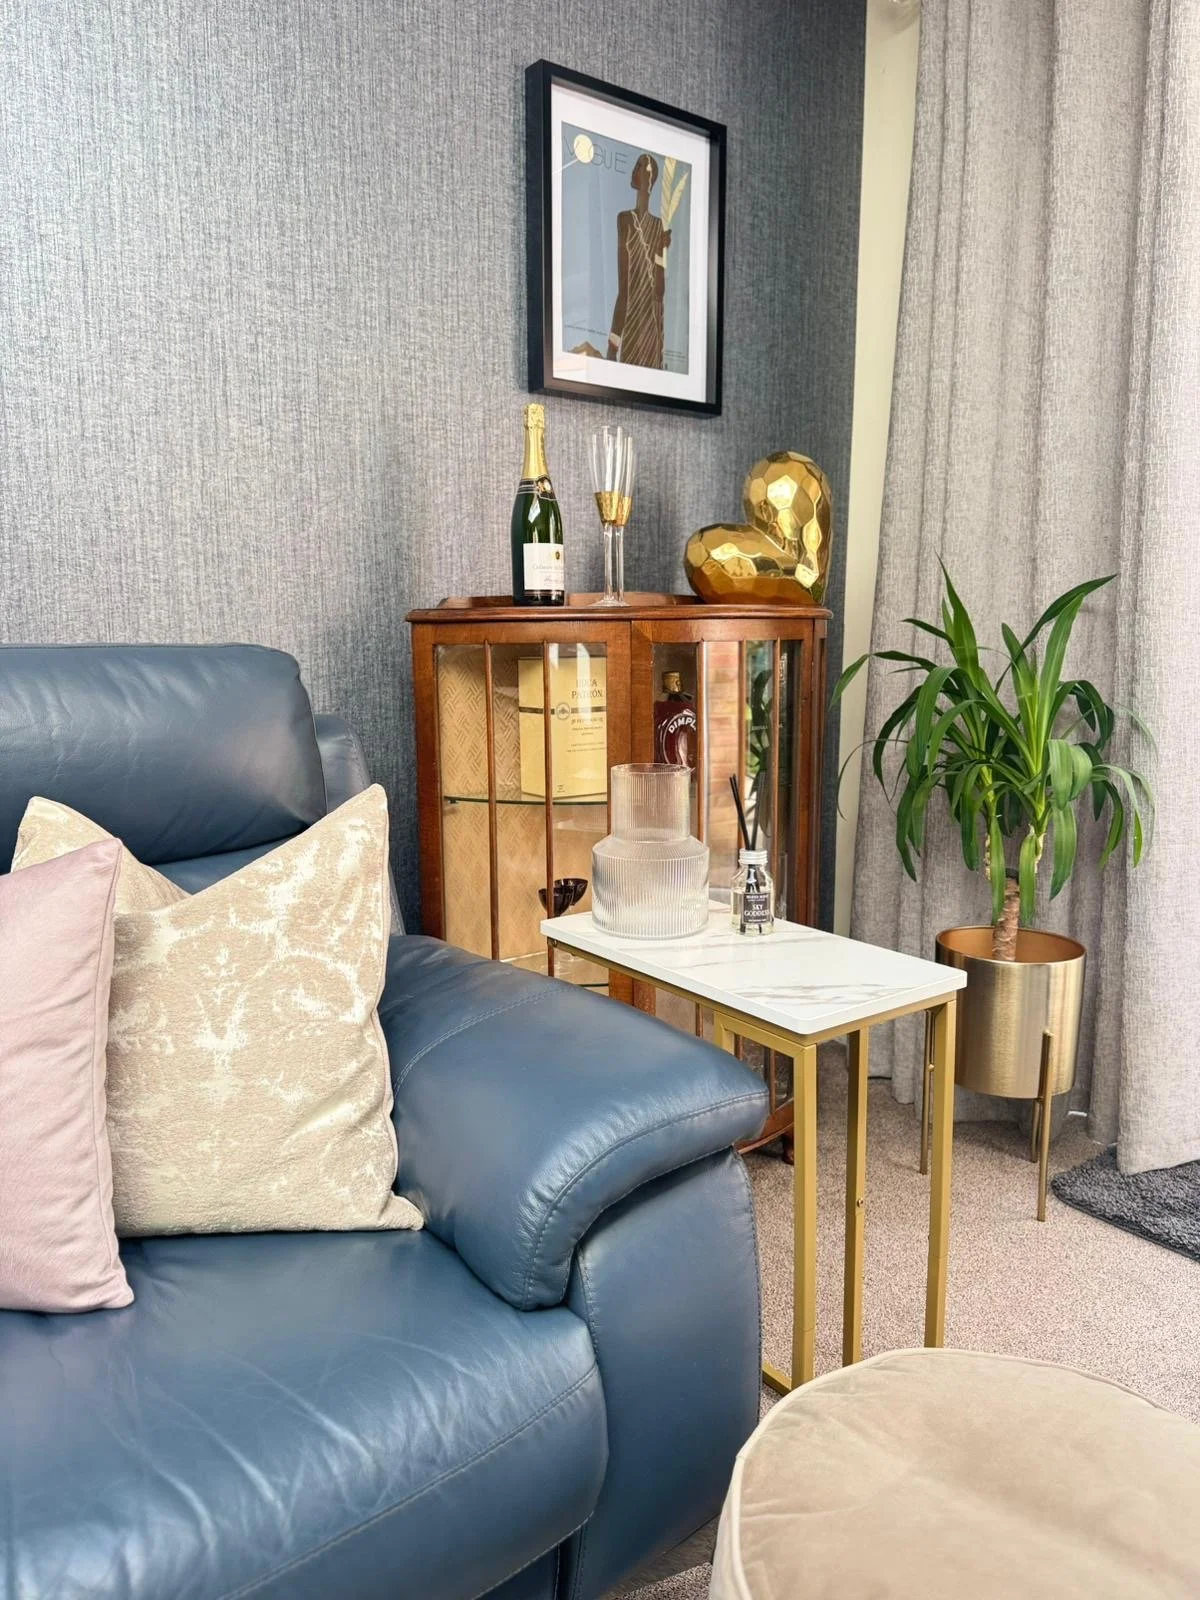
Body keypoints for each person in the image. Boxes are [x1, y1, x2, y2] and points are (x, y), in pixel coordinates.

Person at [607, 153, 670, 370]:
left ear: (649, 176)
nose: (634, 169)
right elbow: (624, 288)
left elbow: (659, 292)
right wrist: (613, 346)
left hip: (650, 325)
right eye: (636, 165)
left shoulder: (658, 227)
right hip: (632, 321)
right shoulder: (625, 220)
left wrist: (661, 250)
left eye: (640, 165)